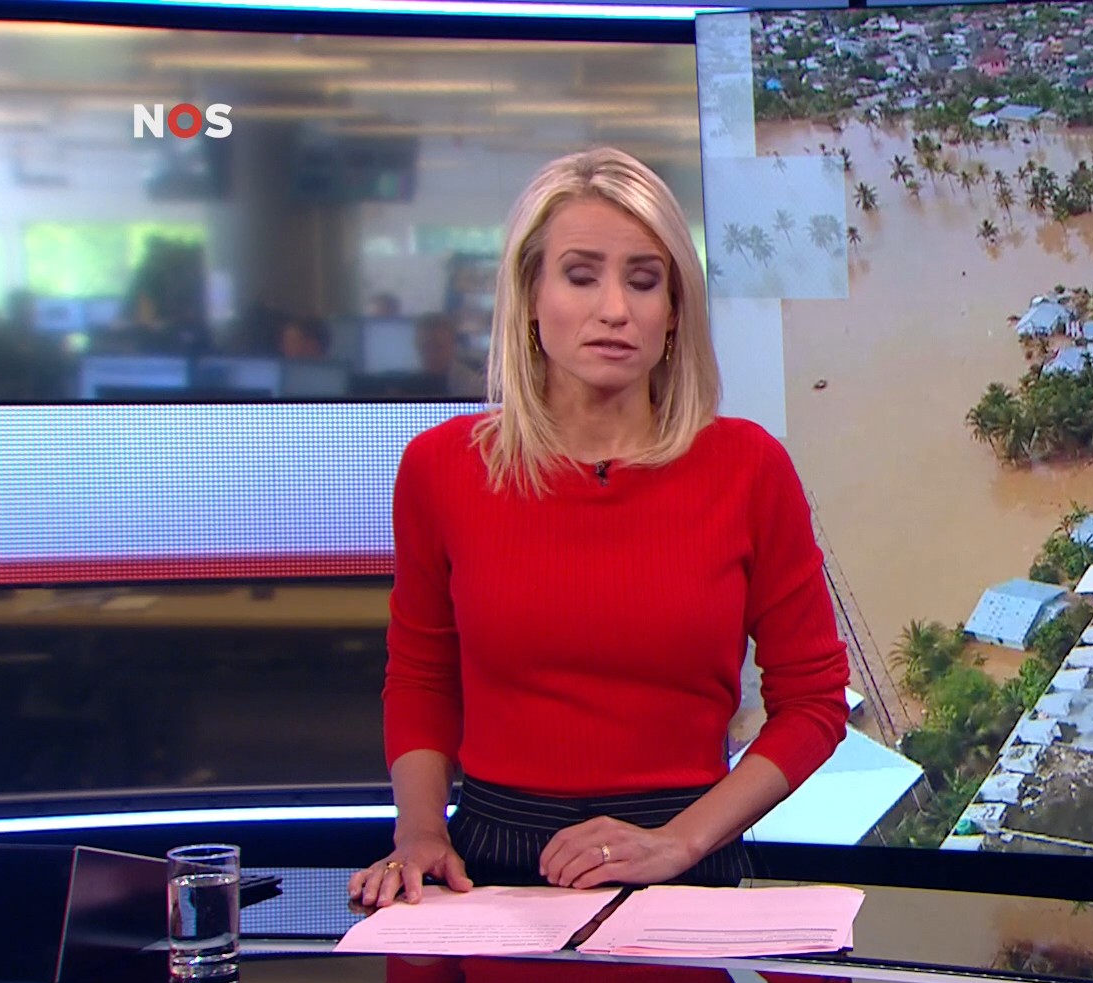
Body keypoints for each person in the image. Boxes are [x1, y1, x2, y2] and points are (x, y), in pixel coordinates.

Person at [351, 147, 850, 909]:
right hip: (488, 865)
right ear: (529, 296)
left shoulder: (749, 467)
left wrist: (682, 840)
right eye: (581, 276)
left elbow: (813, 703)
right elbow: (422, 677)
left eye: (643, 281)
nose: (614, 309)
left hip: (682, 861)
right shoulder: (441, 467)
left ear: (674, 310)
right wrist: (418, 833)